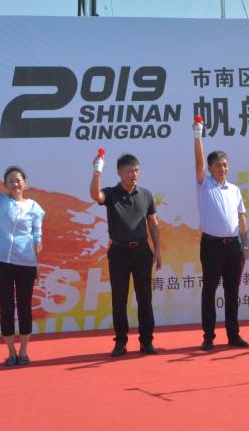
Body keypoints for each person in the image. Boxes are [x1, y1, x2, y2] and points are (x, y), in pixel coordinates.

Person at [0, 136, 45, 366]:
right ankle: (11, 352)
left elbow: (37, 238)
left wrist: (37, 264)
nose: (15, 184)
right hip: (1, 263)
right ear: (5, 184)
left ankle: (24, 351)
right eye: (10, 181)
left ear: (25, 183)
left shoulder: (35, 208)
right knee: (6, 307)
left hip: (26, 264)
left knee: (24, 308)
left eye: (18, 180)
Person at [90, 153, 161, 357]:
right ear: (119, 172)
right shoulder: (111, 193)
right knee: (119, 299)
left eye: (136, 170)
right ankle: (120, 342)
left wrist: (157, 250)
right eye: (129, 171)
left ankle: (146, 341)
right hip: (119, 252)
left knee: (145, 298)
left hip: (142, 251)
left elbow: (153, 223)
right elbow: (96, 196)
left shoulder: (146, 195)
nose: (134, 174)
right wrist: (97, 172)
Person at [193, 121, 249, 350]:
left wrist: (245, 246)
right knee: (209, 291)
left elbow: (242, 219)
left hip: (233, 246)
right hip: (211, 246)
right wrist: (198, 135)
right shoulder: (204, 185)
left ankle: (233, 335)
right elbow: (198, 161)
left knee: (232, 292)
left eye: (225, 165)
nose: (222, 169)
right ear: (210, 168)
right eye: (218, 165)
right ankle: (208, 336)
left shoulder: (234, 189)